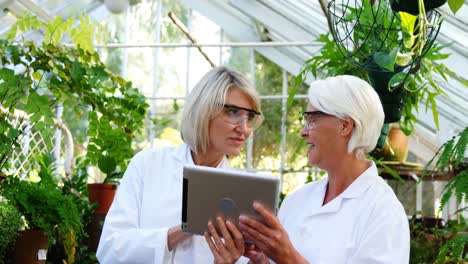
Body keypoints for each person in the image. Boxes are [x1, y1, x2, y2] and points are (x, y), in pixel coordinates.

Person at [96, 66, 264, 263]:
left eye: (250, 117)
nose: (244, 129)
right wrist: (179, 232)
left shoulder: (243, 195)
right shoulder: (148, 165)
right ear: (204, 110)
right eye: (233, 112)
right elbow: (109, 249)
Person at [238, 75, 410, 263]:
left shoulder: (383, 211)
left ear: (345, 125)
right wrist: (263, 260)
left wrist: (288, 258)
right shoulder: (296, 200)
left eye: (312, 120)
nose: (303, 132)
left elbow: (288, 258)